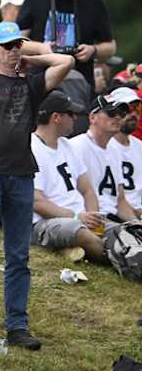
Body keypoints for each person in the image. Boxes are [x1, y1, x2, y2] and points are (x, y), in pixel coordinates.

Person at [0, 21, 73, 350]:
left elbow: (65, 62)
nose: (13, 51)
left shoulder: (30, 84)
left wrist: (31, 60)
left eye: (17, 45)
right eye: (7, 45)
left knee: (18, 255)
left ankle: (17, 324)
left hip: (22, 175)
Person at [17, 0, 115, 91]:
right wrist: (41, 48)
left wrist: (93, 50)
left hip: (79, 83)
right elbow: (16, 42)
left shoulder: (94, 2)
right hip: (40, 81)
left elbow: (110, 47)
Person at [31, 90, 106, 263]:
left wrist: (93, 216)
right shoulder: (30, 148)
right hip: (45, 223)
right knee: (78, 231)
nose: (75, 119)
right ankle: (114, 259)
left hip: (79, 218)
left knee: (116, 229)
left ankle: (100, 251)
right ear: (56, 117)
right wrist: (76, 216)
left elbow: (87, 189)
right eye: (71, 114)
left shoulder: (68, 145)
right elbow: (36, 202)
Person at [69, 94, 140, 222]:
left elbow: (120, 201)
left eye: (121, 114)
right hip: (89, 218)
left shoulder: (114, 149)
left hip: (113, 218)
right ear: (92, 117)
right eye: (111, 113)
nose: (118, 117)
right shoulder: (76, 146)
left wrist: (136, 223)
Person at [108, 86, 142, 213]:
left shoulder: (139, 146)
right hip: (115, 214)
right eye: (126, 109)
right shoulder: (103, 146)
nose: (133, 114)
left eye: (137, 109)